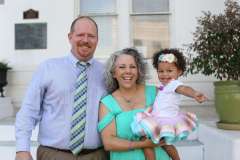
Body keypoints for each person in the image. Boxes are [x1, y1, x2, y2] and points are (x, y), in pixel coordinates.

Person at [15, 16, 108, 160]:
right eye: (80, 35)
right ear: (70, 37)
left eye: (91, 36)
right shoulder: (48, 68)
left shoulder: (106, 73)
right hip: (53, 154)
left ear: (97, 40)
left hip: (96, 155)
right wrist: (22, 149)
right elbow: (28, 111)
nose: (85, 40)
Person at [131, 48, 208, 160]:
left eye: (169, 71)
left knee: (148, 142)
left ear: (179, 72)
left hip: (165, 120)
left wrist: (194, 94)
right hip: (158, 117)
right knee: (164, 145)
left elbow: (184, 89)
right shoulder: (163, 87)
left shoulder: (174, 84)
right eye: (161, 71)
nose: (165, 74)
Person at [98, 48, 170, 160]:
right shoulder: (107, 103)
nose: (128, 71)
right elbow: (109, 142)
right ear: (113, 73)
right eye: (122, 67)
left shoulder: (155, 93)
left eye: (132, 67)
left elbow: (170, 125)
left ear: (139, 71)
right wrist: (143, 144)